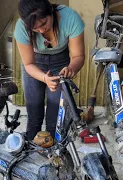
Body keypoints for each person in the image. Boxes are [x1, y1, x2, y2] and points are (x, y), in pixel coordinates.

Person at [14, 0, 85, 140]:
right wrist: (45, 78)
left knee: (55, 116)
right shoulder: (21, 27)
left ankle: (54, 156)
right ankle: (32, 148)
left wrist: (71, 68)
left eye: (43, 24)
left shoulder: (70, 18)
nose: (41, 30)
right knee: (34, 114)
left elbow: (78, 56)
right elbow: (28, 64)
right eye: (35, 29)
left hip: (61, 62)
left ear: (51, 12)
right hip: (35, 64)